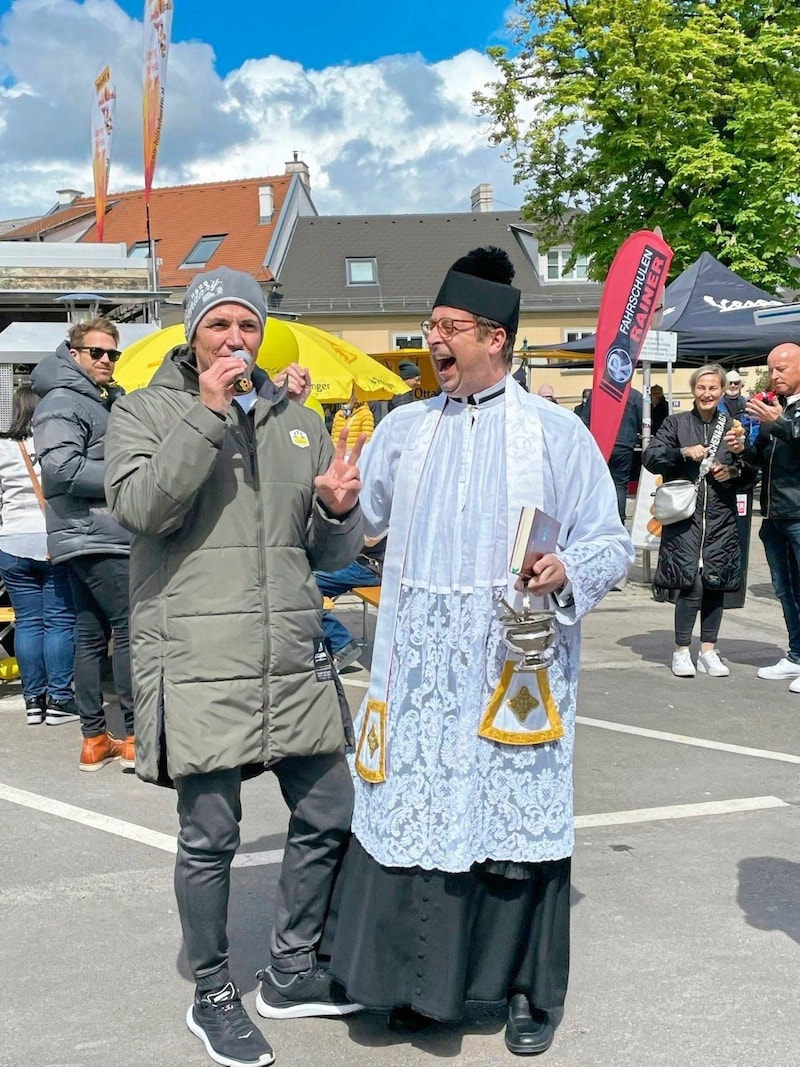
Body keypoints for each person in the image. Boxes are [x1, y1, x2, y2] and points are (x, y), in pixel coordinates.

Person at [327, 246, 633, 1056]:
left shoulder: (554, 434)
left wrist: (568, 566)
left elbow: (611, 540)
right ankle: (413, 988)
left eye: (449, 328)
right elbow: (360, 528)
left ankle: (527, 992)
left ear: (494, 338)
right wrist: (336, 506)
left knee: (511, 826)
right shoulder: (403, 429)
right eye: (431, 326)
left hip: (511, 669)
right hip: (422, 671)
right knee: (415, 824)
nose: (433, 341)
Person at [104, 266, 365, 1067]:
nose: (234, 341)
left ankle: (290, 969)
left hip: (288, 655)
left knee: (329, 809)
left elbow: (325, 555)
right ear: (193, 336)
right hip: (199, 657)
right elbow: (141, 508)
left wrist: (337, 509)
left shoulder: (297, 419)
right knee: (211, 833)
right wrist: (209, 414)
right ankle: (212, 990)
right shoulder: (144, 410)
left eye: (246, 327)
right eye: (218, 326)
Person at [31, 318, 134, 771]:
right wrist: (130, 478)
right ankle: (133, 735)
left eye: (113, 353)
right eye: (98, 353)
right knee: (134, 626)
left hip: (95, 532)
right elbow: (61, 471)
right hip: (95, 534)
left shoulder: (100, 399)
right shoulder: (61, 400)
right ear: (74, 355)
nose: (107, 360)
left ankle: (95, 739)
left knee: (91, 634)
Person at [642, 364, 751, 678]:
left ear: (721, 391)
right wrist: (682, 453)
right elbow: (650, 458)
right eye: (701, 388)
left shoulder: (733, 425)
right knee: (692, 584)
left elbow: (749, 471)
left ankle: (708, 650)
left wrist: (734, 470)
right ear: (693, 390)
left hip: (721, 517)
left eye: (713, 388)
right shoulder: (676, 423)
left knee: (716, 584)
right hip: (686, 518)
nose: (707, 394)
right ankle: (680, 650)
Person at [0, 385, 76, 726]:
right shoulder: (55, 443)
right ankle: (59, 698)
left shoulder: (2, 448)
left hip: (12, 542)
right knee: (59, 619)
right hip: (52, 538)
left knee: (28, 622)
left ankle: (33, 701)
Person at [745, 343, 800, 691]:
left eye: (781, 368)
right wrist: (742, 450)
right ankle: (796, 654)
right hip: (774, 515)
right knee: (785, 590)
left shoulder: (780, 415)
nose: (774, 375)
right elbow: (761, 459)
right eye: (771, 369)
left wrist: (777, 422)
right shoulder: (776, 410)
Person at [315, 534, 386, 671]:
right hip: (350, 561)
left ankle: (341, 643)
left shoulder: (380, 513)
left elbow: (371, 539)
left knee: (302, 584)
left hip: (367, 567)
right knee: (297, 577)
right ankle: (336, 644)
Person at [579, 387, 643, 523]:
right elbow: (642, 422)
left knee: (597, 482)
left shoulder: (598, 393)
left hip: (600, 443)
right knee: (620, 484)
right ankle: (619, 520)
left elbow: (584, 419)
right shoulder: (635, 395)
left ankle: (598, 519)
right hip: (624, 444)